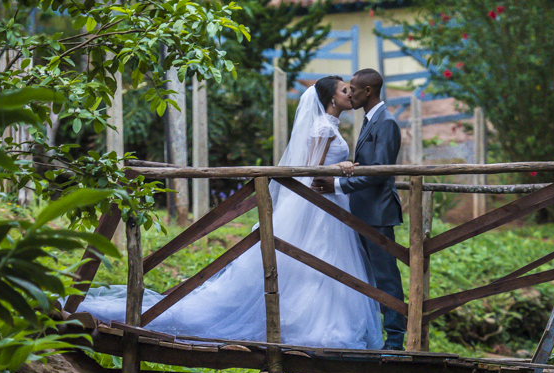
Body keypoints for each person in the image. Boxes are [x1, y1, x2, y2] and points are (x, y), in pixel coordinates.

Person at [76, 76, 383, 351]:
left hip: (328, 204)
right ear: (331, 98)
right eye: (345, 90)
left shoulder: (330, 125)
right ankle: (314, 324)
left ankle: (325, 319)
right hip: (318, 204)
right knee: (315, 260)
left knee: (324, 263)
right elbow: (310, 168)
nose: (350, 94)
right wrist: (338, 169)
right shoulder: (322, 127)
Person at [312, 68, 405, 351]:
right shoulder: (370, 120)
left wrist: (338, 185)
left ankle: (396, 341)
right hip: (363, 211)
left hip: (378, 212)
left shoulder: (386, 123)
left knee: (386, 276)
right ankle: (373, 332)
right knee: (371, 275)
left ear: (368, 91)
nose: (349, 92)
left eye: (352, 88)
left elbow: (378, 172)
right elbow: (368, 164)